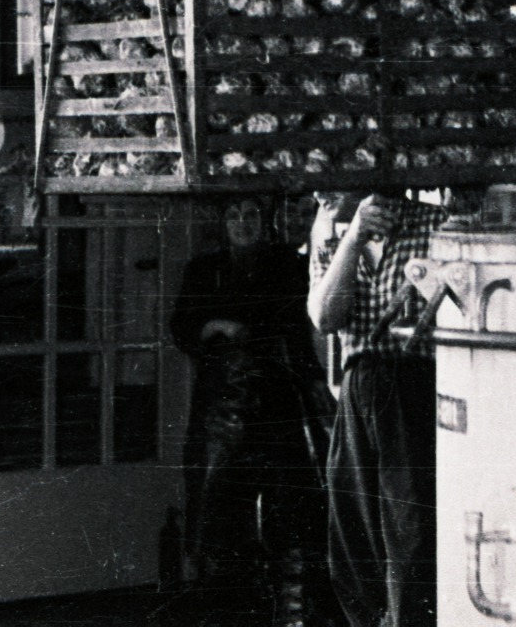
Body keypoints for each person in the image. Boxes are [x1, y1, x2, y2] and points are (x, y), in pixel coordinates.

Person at [171, 197, 334, 626]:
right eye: (234, 215)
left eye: (251, 215)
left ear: (265, 221)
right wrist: (216, 327)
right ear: (222, 223)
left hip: (279, 399)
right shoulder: (203, 270)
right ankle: (225, 608)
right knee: (218, 507)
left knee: (290, 506)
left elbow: (299, 333)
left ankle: (289, 610)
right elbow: (181, 329)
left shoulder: (288, 265)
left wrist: (314, 384)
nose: (243, 223)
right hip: (222, 404)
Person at [307, 190, 450, 627]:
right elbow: (325, 317)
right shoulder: (331, 232)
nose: (320, 192)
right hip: (358, 384)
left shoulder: (434, 224)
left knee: (410, 528)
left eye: (332, 177)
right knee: (352, 527)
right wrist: (351, 238)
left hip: (412, 383)